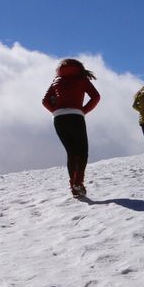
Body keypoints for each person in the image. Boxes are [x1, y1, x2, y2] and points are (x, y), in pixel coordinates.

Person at [42, 58, 100, 198]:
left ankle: (73, 187)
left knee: (71, 153)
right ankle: (78, 183)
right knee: (82, 152)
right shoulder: (81, 78)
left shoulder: (57, 80)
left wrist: (56, 110)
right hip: (76, 117)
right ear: (78, 67)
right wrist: (83, 110)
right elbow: (96, 97)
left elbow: (45, 101)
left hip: (59, 119)